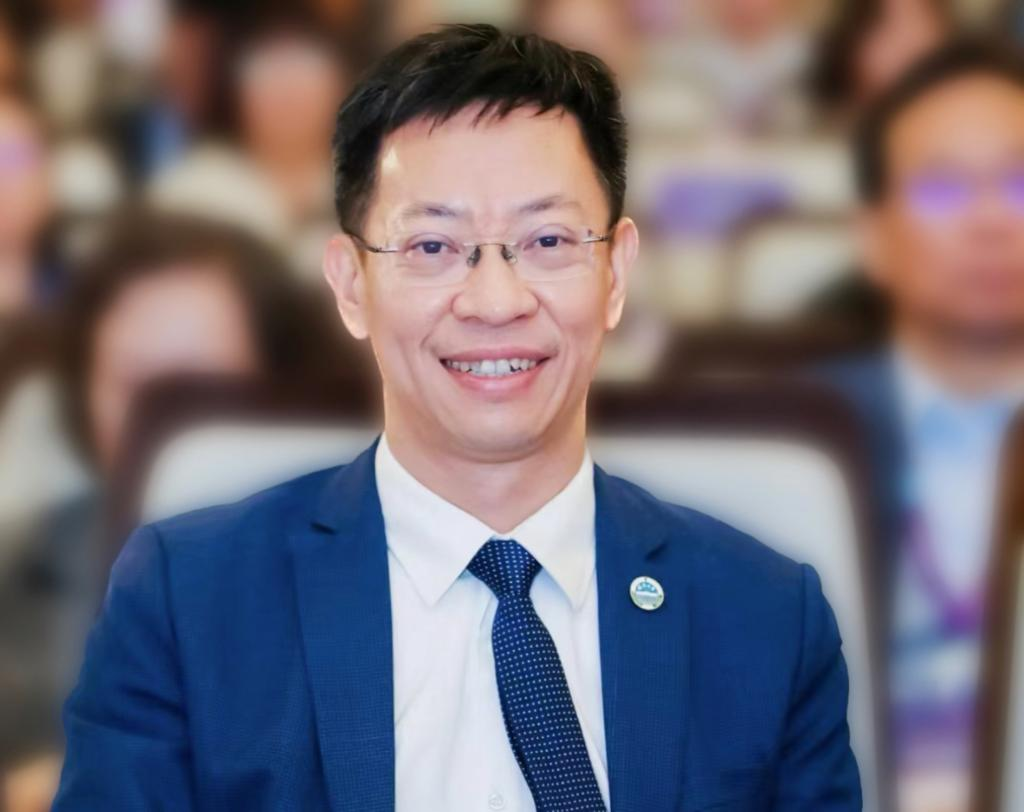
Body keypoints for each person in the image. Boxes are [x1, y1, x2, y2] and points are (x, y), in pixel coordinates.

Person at [53, 25, 861, 810]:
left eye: (547, 240)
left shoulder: (766, 619)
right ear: (350, 285)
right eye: (433, 248)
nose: (495, 301)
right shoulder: (187, 600)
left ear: (616, 274)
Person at [815, 39, 1024, 812]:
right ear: (873, 238)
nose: (991, 221)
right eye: (942, 191)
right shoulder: (792, 442)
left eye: (1019, 185)